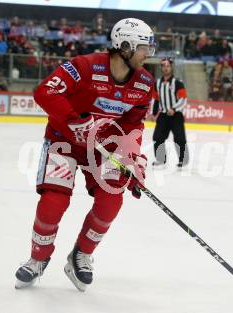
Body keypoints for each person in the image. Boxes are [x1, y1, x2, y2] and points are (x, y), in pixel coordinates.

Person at [14, 18, 155, 291]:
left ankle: (81, 254)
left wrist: (132, 158)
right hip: (63, 141)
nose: (147, 54)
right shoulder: (84, 66)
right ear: (124, 46)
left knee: (111, 200)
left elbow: (133, 125)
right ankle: (38, 258)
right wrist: (73, 119)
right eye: (142, 48)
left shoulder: (145, 83)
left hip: (104, 149)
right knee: (53, 202)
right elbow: (45, 91)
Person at [151, 57, 189, 168]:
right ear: (161, 68)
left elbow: (183, 99)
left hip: (176, 115)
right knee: (157, 137)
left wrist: (174, 109)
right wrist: (154, 114)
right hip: (163, 115)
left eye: (168, 66)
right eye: (164, 66)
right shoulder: (157, 83)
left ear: (171, 67)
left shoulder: (178, 83)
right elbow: (156, 100)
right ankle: (160, 160)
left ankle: (183, 160)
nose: (166, 68)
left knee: (179, 138)